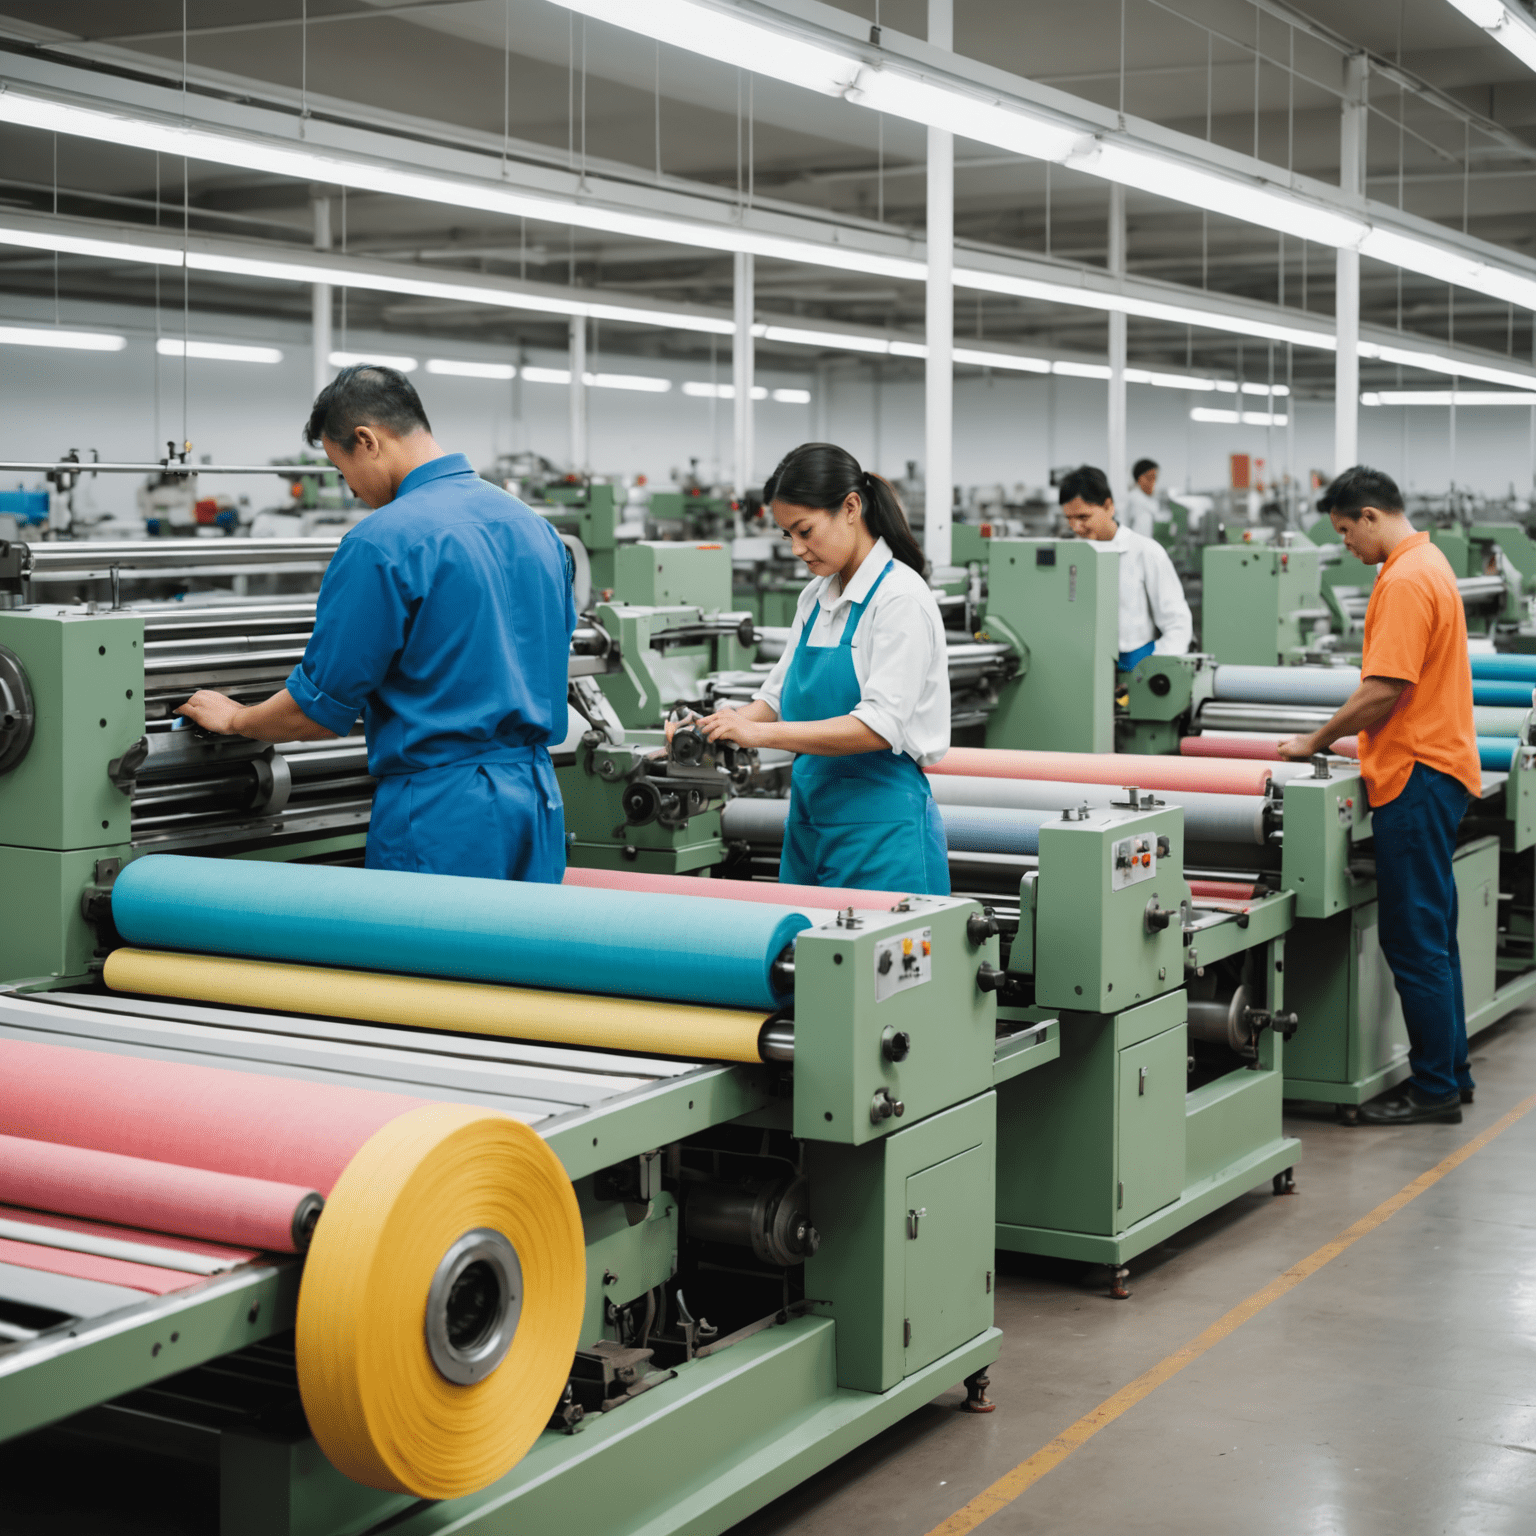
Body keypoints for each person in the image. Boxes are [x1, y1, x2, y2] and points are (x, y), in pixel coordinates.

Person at [177, 364, 575, 881]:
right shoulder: (537, 529)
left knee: (433, 963)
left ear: (366, 440)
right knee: (524, 960)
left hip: (444, 814)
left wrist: (237, 719)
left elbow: (318, 711)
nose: (352, 491)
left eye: (343, 471)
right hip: (536, 798)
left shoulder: (383, 542)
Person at [1277, 466, 1480, 1125]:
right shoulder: (1432, 561)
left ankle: (1433, 1091)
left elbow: (1384, 688)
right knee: (1436, 933)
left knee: (1413, 937)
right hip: (1440, 768)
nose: (1346, 547)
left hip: (1415, 774)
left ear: (1369, 515)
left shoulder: (1402, 579)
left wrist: (1316, 739)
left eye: (1344, 533)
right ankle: (1453, 1073)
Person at [695, 443, 950, 893]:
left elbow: (880, 726)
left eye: (805, 530)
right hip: (809, 822)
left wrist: (760, 735)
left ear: (851, 507)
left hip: (880, 830)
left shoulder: (900, 599)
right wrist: (712, 729)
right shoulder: (815, 597)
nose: (796, 548)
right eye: (786, 534)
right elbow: (775, 698)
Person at [1058, 464, 1191, 672]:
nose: (1075, 527)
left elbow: (1177, 623)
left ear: (1109, 506)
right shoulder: (1069, 554)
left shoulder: (1145, 552)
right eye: (1069, 519)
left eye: (1083, 517)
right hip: (1082, 664)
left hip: (1135, 665)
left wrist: (1150, 671)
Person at [1122, 457, 1162, 538]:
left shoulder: (1148, 500)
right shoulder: (1134, 498)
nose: (1153, 482)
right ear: (1140, 478)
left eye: (1155, 478)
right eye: (1150, 478)